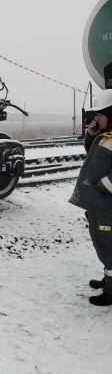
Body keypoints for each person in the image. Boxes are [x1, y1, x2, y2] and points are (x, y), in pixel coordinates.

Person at [70, 89, 112, 306]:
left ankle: (111, 290)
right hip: (99, 203)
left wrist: (101, 187)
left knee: (108, 247)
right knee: (103, 243)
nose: (96, 118)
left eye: (100, 114)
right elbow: (93, 155)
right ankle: (108, 278)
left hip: (107, 205)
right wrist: (91, 135)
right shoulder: (107, 136)